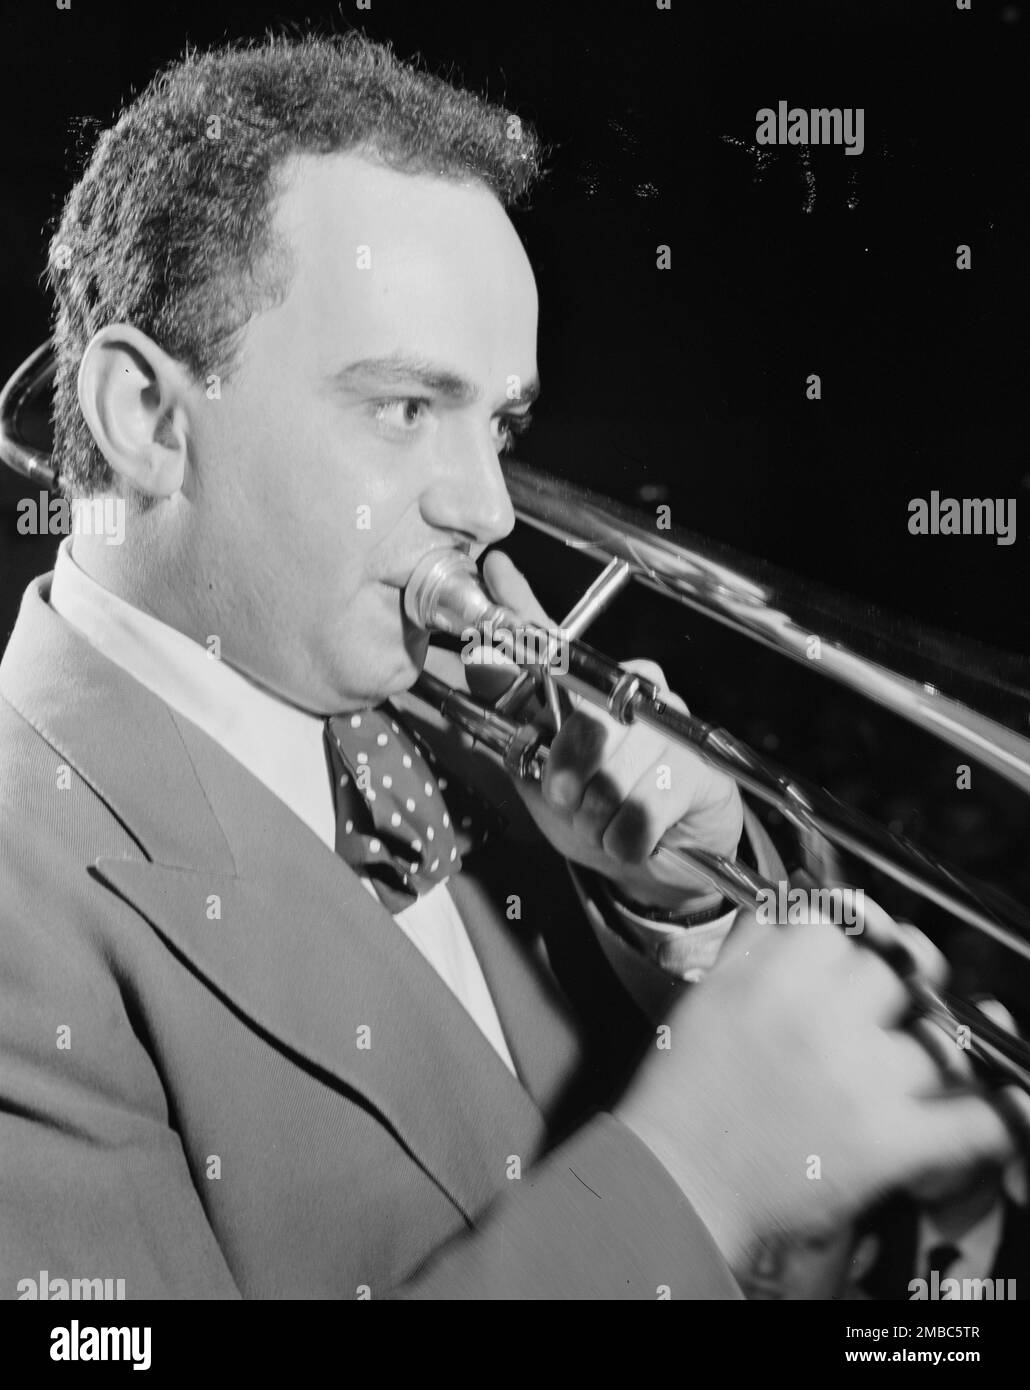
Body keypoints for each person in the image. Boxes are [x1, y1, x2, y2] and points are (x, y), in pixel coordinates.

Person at [0, 33, 1018, 1300]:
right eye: (403, 407)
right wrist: (694, 1175)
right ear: (149, 418)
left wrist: (681, 916)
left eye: (501, 424)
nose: (489, 507)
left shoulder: (458, 714)